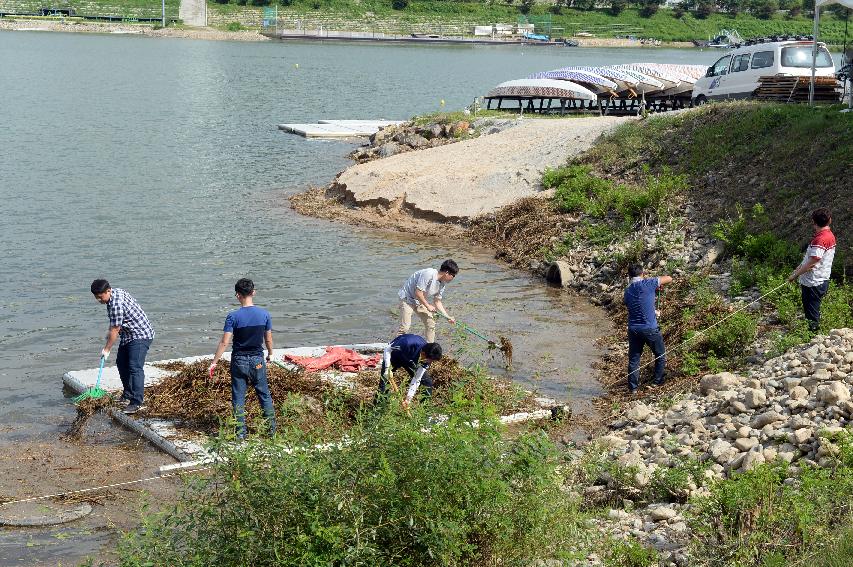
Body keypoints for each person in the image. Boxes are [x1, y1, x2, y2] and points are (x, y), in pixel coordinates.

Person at [209, 278, 276, 439]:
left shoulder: (233, 317)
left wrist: (214, 362)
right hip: (257, 360)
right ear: (253, 292)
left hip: (239, 360)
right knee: (264, 395)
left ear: (237, 295)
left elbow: (225, 342)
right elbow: (268, 339)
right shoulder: (265, 314)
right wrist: (270, 354)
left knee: (238, 397)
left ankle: (240, 434)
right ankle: (271, 432)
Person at [91, 279, 155, 415]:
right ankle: (128, 394)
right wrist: (108, 334)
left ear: (108, 290)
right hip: (128, 335)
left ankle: (136, 402)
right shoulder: (115, 293)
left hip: (140, 334)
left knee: (134, 367)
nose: (98, 300)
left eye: (100, 296)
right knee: (121, 363)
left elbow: (115, 329)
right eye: (96, 297)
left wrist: (107, 349)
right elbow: (115, 323)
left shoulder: (115, 303)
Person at [623, 265, 673, 394]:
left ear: (629, 277)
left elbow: (635, 306)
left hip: (633, 329)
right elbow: (669, 278)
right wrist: (655, 285)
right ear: (643, 274)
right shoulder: (648, 283)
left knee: (634, 359)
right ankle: (657, 382)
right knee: (660, 355)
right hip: (649, 328)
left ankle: (633, 389)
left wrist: (653, 311)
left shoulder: (627, 291)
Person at [788, 208, 836, 332]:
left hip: (814, 282)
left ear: (814, 222)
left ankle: (813, 339)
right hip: (820, 279)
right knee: (813, 309)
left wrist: (794, 275)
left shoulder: (821, 239)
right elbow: (811, 259)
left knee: (811, 312)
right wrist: (799, 267)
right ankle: (813, 335)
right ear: (829, 220)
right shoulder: (828, 235)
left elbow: (812, 262)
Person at [397, 260, 458, 343]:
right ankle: (395, 348)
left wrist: (447, 317)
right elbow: (418, 293)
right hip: (407, 298)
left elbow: (437, 301)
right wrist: (428, 306)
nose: (453, 278)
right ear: (447, 273)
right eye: (453, 275)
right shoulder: (429, 274)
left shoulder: (442, 284)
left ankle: (429, 348)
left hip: (420, 301)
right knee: (405, 327)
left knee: (431, 324)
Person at [376, 334, 443, 409]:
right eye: (430, 360)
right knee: (384, 383)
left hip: (411, 361)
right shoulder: (407, 343)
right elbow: (387, 349)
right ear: (423, 354)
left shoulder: (426, 360)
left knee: (427, 382)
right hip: (394, 356)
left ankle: (423, 411)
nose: (430, 363)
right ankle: (379, 409)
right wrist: (387, 368)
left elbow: (417, 379)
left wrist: (408, 400)